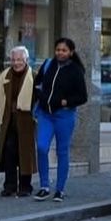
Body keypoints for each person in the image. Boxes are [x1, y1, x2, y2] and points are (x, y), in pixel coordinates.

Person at [33, 38, 88, 202]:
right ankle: (44, 186)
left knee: (62, 151)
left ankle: (60, 189)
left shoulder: (76, 70)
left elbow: (82, 96)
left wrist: (66, 102)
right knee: (42, 147)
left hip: (64, 115)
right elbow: (37, 84)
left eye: (64, 50)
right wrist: (41, 98)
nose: (60, 53)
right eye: (58, 49)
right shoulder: (48, 64)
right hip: (45, 114)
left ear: (71, 52)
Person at [0, 46, 38, 198]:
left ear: (26, 60)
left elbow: (40, 98)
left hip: (26, 121)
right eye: (14, 60)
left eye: (19, 60)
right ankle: (9, 186)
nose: (16, 63)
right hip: (8, 120)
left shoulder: (33, 76)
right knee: (9, 152)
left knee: (25, 154)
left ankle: (25, 186)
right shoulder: (4, 76)